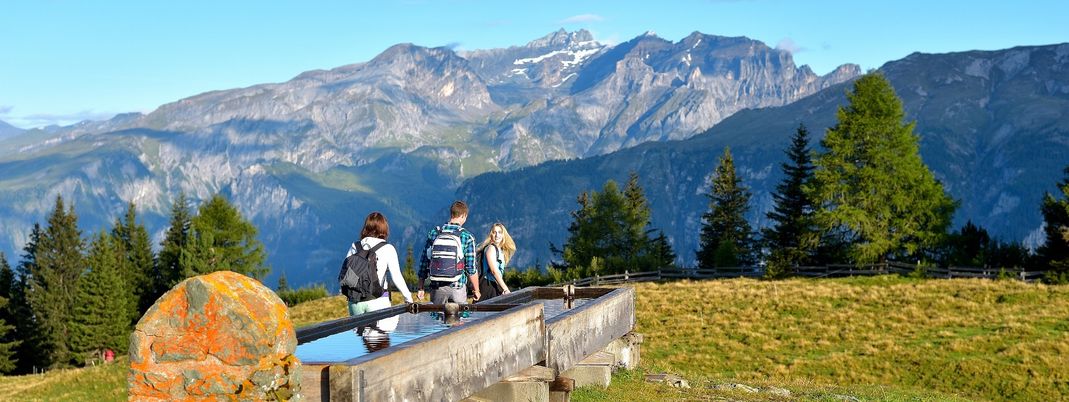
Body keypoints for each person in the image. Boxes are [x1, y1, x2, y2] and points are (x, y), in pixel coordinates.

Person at [345, 212, 413, 316]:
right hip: (378, 301)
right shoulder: (388, 248)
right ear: (384, 229)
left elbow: (347, 273)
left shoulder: (354, 246)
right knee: (380, 332)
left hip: (354, 302)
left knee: (360, 332)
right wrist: (408, 298)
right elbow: (396, 277)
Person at [418, 201, 480, 304]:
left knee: (437, 319)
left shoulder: (434, 233)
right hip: (458, 287)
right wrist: (476, 290)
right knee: (459, 318)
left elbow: (424, 262)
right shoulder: (467, 237)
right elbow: (471, 268)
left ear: (451, 214)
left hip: (437, 287)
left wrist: (421, 287)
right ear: (464, 216)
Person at [477, 223, 516, 302]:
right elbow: (494, 271)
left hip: (494, 285)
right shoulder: (491, 248)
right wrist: (505, 289)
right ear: (491, 234)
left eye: (500, 232)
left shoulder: (499, 250)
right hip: (488, 286)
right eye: (494, 232)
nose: (497, 235)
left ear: (503, 235)